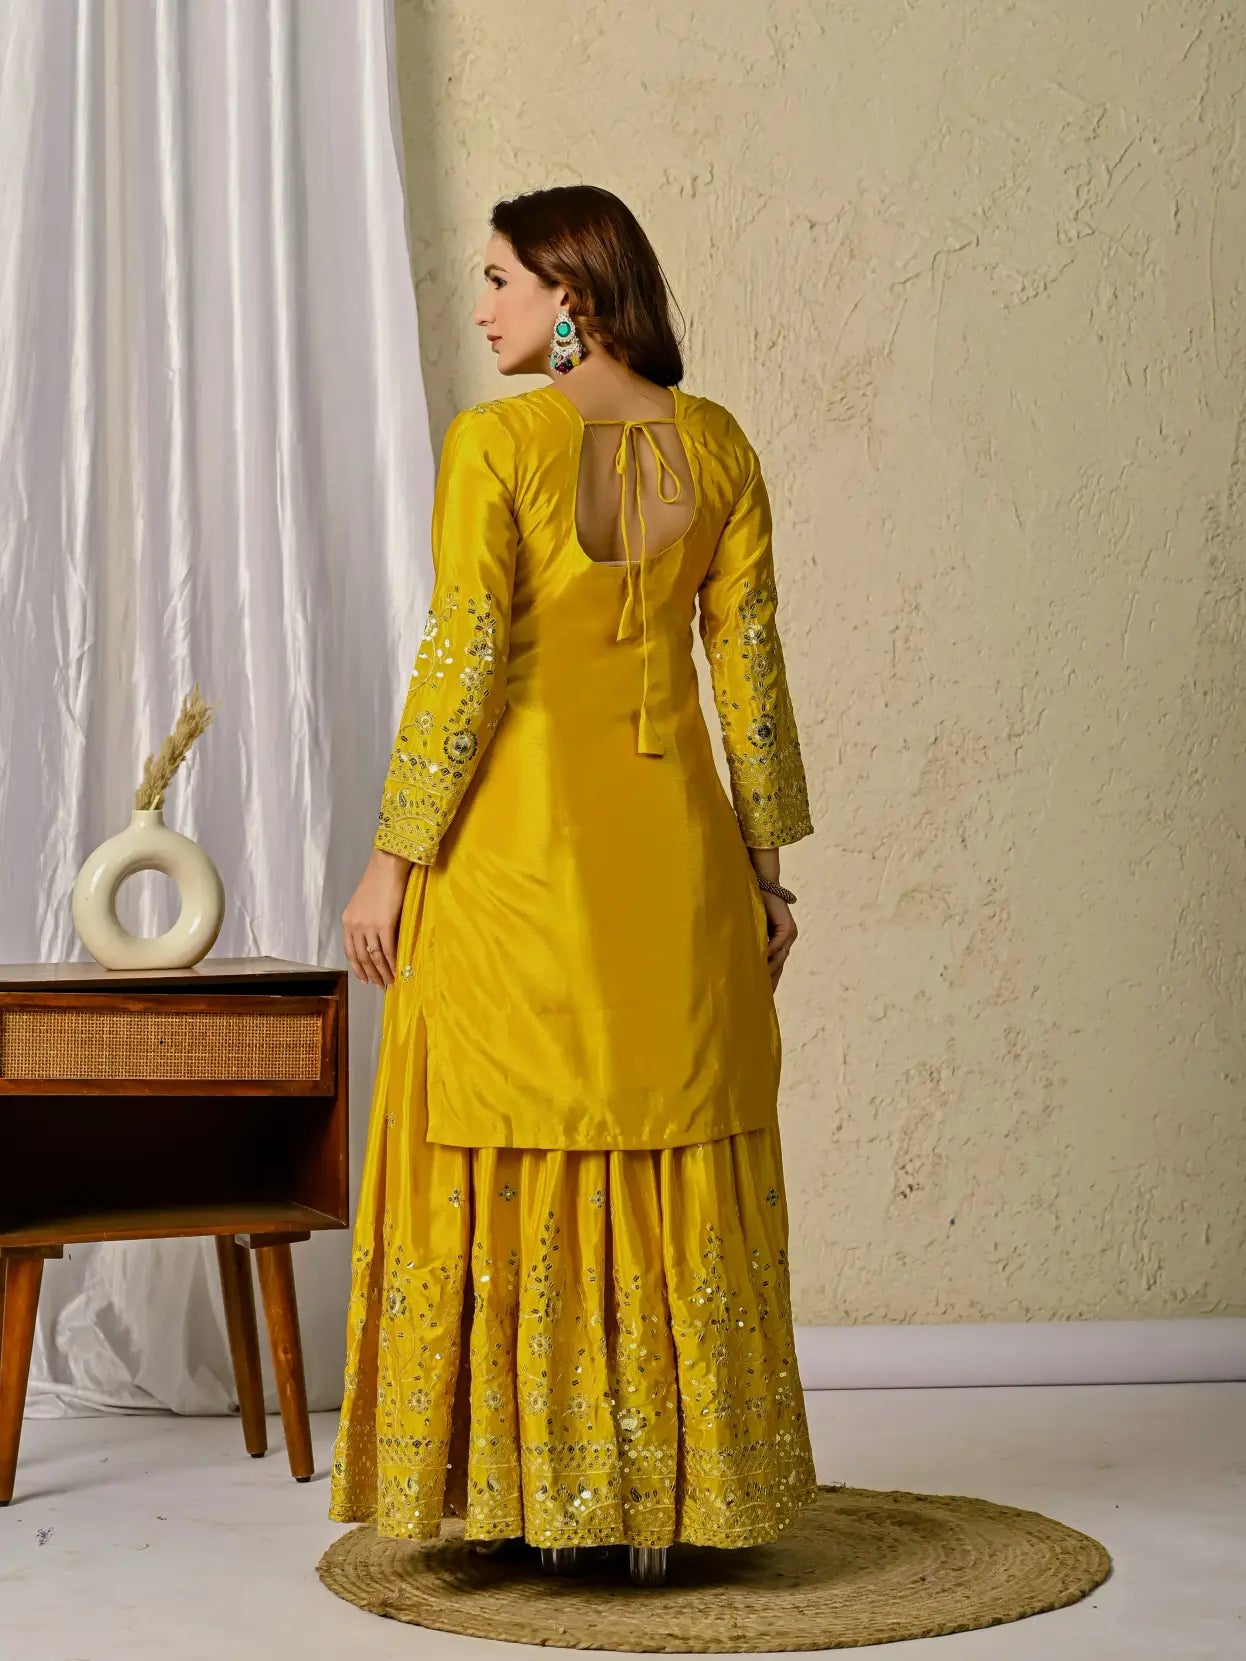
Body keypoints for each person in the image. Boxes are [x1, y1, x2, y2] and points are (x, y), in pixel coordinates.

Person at [328, 184, 819, 1587]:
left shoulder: (498, 445)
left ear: (571, 296)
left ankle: (521, 1490)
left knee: (516, 1132)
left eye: (498, 279)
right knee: (665, 1133)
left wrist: (388, 858)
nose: (480, 305)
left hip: (517, 862)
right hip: (673, 854)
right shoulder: (713, 442)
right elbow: (751, 675)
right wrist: (763, 871)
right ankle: (676, 1498)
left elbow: (462, 661)